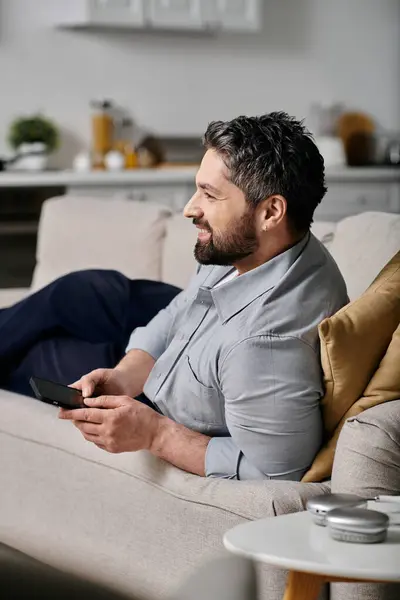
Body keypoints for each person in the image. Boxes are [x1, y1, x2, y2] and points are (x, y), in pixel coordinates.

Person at [4, 112, 349, 481]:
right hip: (173, 356)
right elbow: (180, 310)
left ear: (271, 211)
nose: (189, 208)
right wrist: (124, 374)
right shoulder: (257, 248)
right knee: (80, 290)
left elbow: (277, 472)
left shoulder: (262, 347)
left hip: (167, 395)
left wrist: (155, 433)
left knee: (38, 357)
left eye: (210, 194)